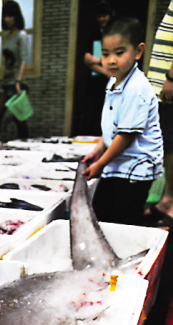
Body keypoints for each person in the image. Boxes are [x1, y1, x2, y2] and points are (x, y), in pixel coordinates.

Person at [82, 16, 163, 226]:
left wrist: (100, 164)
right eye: (106, 54)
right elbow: (112, 127)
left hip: (136, 167)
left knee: (124, 218)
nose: (111, 60)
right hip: (119, 163)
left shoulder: (137, 88)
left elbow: (126, 135)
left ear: (138, 51)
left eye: (119, 53)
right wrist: (98, 149)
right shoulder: (114, 82)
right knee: (101, 211)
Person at [145, 0, 173, 227]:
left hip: (169, 88)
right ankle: (167, 199)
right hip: (164, 88)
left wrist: (171, 78)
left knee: (170, 145)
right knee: (167, 144)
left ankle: (171, 202)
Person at [0, 0, 29, 142]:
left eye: (11, 16)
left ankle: (25, 143)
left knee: (18, 118)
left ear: (17, 17)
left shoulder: (22, 35)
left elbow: (23, 60)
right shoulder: (7, 35)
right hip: (6, 82)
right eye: (5, 16)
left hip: (17, 83)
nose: (8, 19)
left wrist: (18, 82)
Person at [83, 1, 114, 136]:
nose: (102, 19)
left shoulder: (115, 35)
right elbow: (87, 60)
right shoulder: (94, 35)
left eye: (105, 15)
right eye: (100, 16)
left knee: (106, 116)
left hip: (110, 84)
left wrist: (99, 60)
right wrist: (105, 72)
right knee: (90, 115)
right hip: (94, 81)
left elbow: (116, 59)